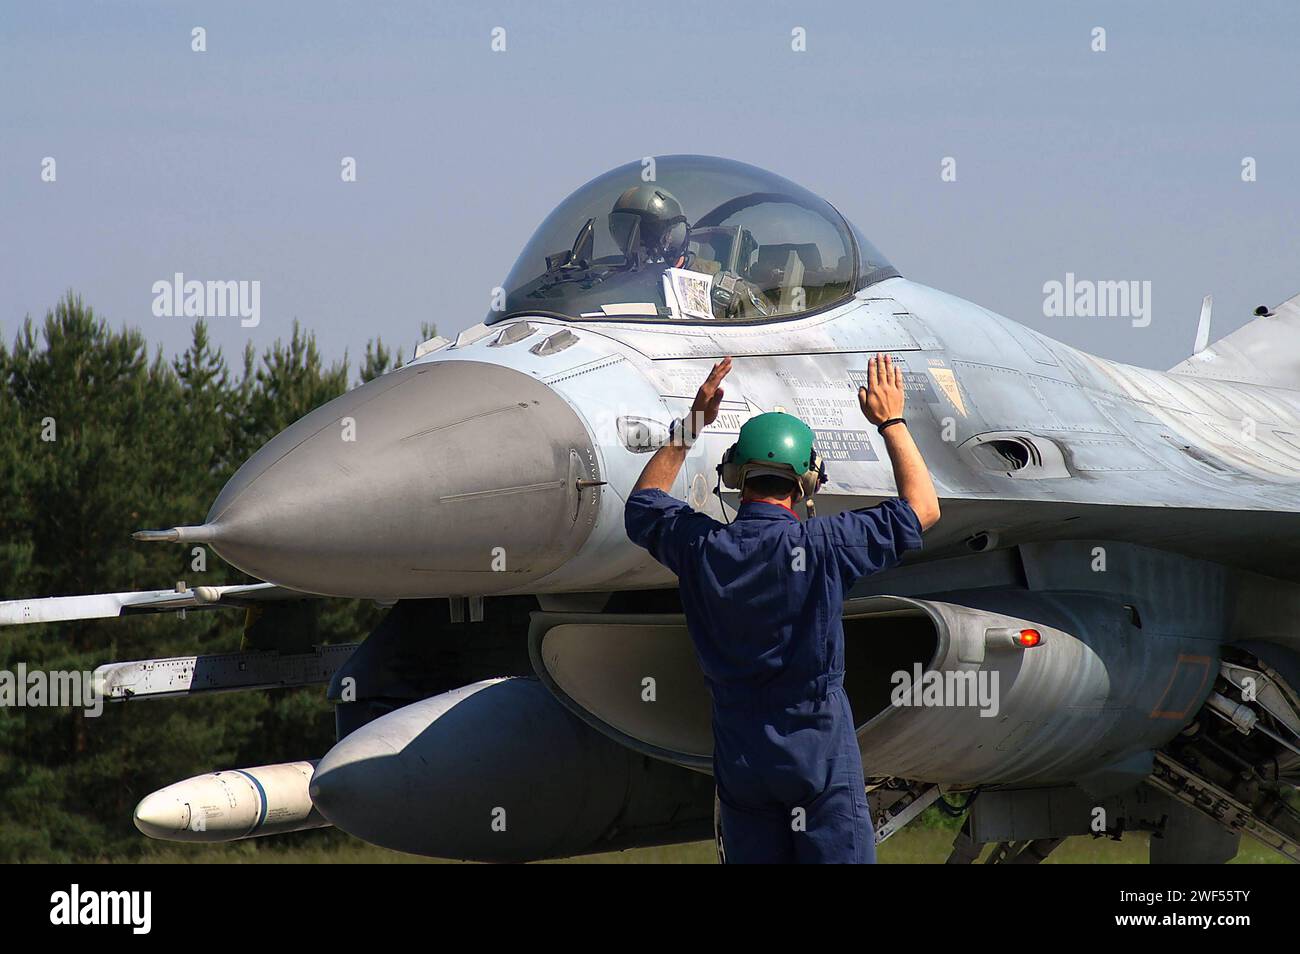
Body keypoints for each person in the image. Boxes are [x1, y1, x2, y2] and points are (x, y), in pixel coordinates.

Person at [624, 353, 940, 863]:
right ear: (806, 483)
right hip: (816, 750)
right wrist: (892, 421)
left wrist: (693, 424)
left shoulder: (700, 546)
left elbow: (643, 504)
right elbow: (924, 508)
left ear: (735, 475)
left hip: (741, 757)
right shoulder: (825, 544)